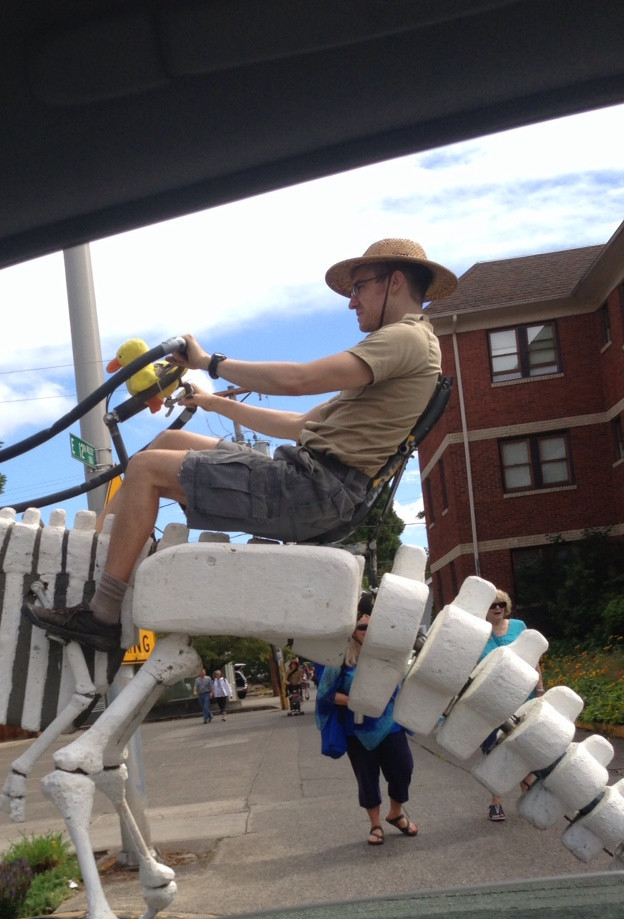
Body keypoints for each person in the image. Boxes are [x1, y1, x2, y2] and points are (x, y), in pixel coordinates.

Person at [25, 239, 457, 653]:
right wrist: (212, 401)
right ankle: (93, 552)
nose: (351, 302)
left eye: (359, 287)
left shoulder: (406, 338)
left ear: (394, 282)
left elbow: (298, 380)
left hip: (313, 489)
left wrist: (209, 362)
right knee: (170, 441)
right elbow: (298, 425)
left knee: (145, 470)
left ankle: (100, 613)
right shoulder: (398, 357)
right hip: (314, 482)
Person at [316, 610, 418, 846]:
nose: (367, 632)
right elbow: (325, 695)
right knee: (367, 777)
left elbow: (405, 681)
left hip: (390, 724)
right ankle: (375, 824)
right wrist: (355, 701)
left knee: (403, 768)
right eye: (362, 627)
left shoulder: (388, 654)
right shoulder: (341, 658)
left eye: (372, 627)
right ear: (352, 630)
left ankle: (396, 813)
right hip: (357, 730)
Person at [478, 588, 545, 822]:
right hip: (494, 700)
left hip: (524, 696)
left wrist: (540, 689)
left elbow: (534, 658)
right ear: (485, 609)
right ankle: (496, 801)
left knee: (526, 745)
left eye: (501, 604)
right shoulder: (479, 633)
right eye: (492, 605)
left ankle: (528, 790)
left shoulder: (518, 626)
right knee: (496, 749)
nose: (498, 608)